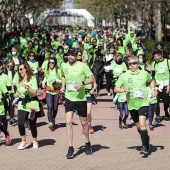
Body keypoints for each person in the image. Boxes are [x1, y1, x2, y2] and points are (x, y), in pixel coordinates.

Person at [114, 56, 156, 154]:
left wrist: (152, 90)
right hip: (132, 104)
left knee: (142, 124)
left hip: (143, 102)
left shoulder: (144, 74)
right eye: (130, 64)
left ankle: (144, 146)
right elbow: (116, 89)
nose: (132, 65)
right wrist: (123, 90)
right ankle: (146, 138)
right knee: (138, 126)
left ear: (138, 64)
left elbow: (152, 80)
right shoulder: (124, 75)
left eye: (134, 63)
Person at [61, 48, 94, 159]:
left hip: (80, 98)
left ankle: (87, 142)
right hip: (69, 97)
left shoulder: (83, 66)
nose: (69, 56)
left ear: (76, 56)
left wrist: (82, 83)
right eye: (68, 55)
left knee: (84, 123)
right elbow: (63, 76)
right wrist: (62, 86)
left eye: (72, 55)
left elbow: (91, 79)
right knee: (68, 121)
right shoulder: (64, 65)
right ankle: (70, 147)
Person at [14, 62, 40, 150]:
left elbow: (35, 92)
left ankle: (35, 140)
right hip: (22, 104)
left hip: (33, 105)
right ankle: (24, 141)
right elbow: (19, 91)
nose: (19, 71)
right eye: (18, 69)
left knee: (32, 124)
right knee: (20, 122)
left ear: (26, 69)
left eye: (21, 69)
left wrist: (27, 87)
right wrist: (15, 94)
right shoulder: (19, 80)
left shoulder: (32, 79)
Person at [42, 57, 62, 131]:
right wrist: (43, 83)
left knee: (55, 108)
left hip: (56, 91)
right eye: (49, 62)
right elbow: (46, 78)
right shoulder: (47, 70)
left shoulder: (59, 71)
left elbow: (62, 81)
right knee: (49, 106)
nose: (51, 64)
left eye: (52, 63)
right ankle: (50, 122)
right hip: (49, 90)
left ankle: (53, 118)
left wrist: (56, 80)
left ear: (55, 63)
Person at [152, 50, 170, 122]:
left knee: (166, 101)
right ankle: (158, 116)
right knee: (156, 101)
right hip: (158, 85)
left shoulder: (167, 62)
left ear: (160, 55)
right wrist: (153, 87)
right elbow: (152, 75)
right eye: (154, 56)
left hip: (166, 84)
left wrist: (169, 85)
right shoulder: (154, 63)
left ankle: (166, 112)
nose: (154, 58)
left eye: (155, 56)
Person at [0, 61, 11, 145]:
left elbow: (7, 94)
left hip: (1, 107)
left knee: (2, 122)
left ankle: (6, 133)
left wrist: (1, 99)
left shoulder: (1, 82)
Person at [3, 59, 17, 125]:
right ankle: (4, 117)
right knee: (5, 104)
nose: (9, 67)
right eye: (8, 66)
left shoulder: (14, 72)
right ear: (6, 65)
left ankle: (11, 118)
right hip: (4, 90)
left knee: (12, 104)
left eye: (11, 66)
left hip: (12, 91)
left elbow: (16, 82)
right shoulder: (3, 72)